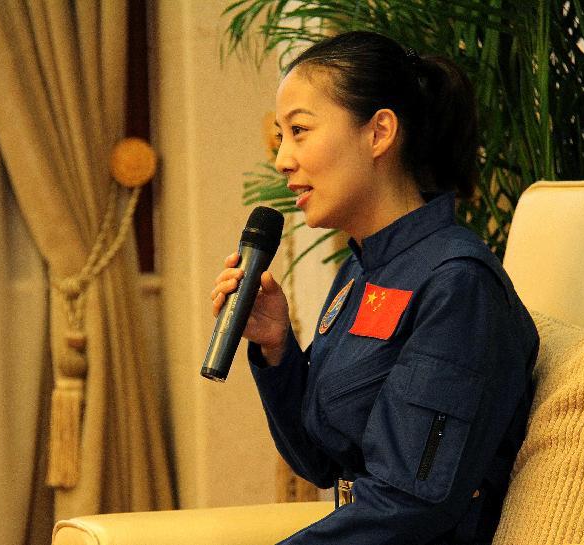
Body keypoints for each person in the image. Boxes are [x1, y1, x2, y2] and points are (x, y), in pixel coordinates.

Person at [210, 31, 538, 544]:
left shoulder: (457, 285)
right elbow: (323, 462)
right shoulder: (361, 272)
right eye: (282, 137)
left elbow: (410, 501)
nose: (282, 161)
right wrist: (277, 347)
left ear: (380, 132)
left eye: (299, 131)